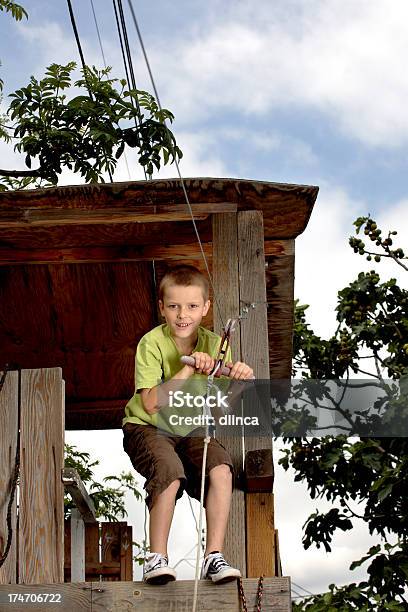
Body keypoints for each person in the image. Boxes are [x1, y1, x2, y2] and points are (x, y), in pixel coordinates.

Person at [122, 264, 254, 585]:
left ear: (205, 308)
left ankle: (214, 557)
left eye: (193, 306)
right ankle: (156, 558)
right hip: (148, 427)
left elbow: (219, 409)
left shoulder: (215, 344)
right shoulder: (151, 344)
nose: (183, 314)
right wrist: (189, 369)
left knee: (221, 469)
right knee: (169, 471)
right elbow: (151, 402)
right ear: (162, 308)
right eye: (174, 306)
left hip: (189, 428)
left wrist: (240, 381)